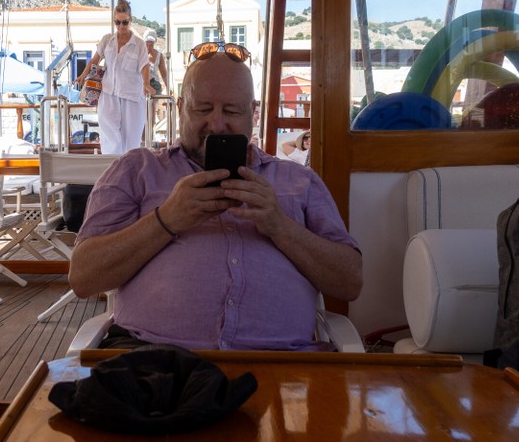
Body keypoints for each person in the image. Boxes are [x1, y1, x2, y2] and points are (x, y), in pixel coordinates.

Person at [70, 45, 362, 351]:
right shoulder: (135, 170)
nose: (217, 124)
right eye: (203, 109)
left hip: (281, 366)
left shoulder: (299, 180)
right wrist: (166, 220)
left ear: (253, 113)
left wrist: (281, 227)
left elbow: (349, 282)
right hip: (152, 364)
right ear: (181, 107)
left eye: (232, 111)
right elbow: (83, 277)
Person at [74, 0, 153, 154]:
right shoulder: (106, 40)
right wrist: (83, 75)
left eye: (124, 22)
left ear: (130, 20)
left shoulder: (138, 44)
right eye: (117, 22)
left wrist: (146, 83)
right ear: (114, 22)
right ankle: (113, 173)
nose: (121, 26)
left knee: (131, 141)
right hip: (108, 94)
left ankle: (129, 175)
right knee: (110, 139)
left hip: (131, 97)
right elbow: (94, 61)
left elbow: (144, 65)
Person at [143, 29, 168, 95]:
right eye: (147, 42)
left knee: (155, 103)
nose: (149, 44)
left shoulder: (159, 55)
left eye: (151, 42)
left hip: (155, 85)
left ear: (154, 42)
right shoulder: (140, 54)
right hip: (143, 85)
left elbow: (164, 74)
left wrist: (168, 87)